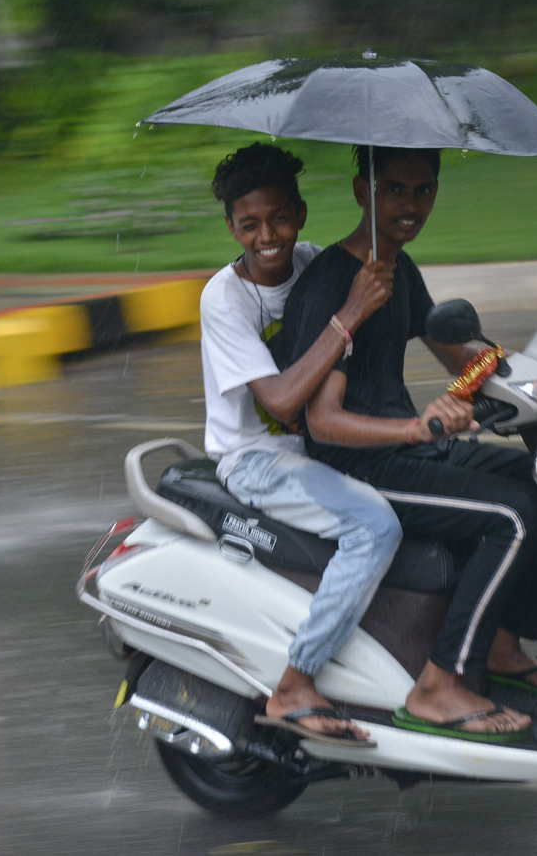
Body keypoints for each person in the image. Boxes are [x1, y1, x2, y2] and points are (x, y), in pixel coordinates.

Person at [278, 145, 537, 741]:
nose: (410, 205)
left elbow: (461, 356)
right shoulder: (337, 283)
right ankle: (439, 684)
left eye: (423, 191)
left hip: (410, 450)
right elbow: (322, 422)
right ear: (363, 192)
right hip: (361, 466)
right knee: (513, 519)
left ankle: (498, 644)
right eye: (394, 190)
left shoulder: (399, 271)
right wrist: (417, 427)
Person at [200, 142, 401, 743]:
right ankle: (295, 681)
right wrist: (349, 314)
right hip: (257, 460)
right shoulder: (224, 298)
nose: (268, 236)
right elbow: (283, 401)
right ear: (231, 227)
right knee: (375, 526)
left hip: (320, 448)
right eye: (250, 224)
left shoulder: (318, 266)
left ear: (302, 214)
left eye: (280, 218)